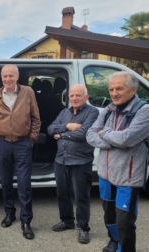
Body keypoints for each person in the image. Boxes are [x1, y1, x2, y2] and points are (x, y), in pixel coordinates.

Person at [86, 72, 149, 252]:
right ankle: (114, 241)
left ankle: (125, 248)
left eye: (119, 88)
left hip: (127, 178)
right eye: (111, 89)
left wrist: (104, 133)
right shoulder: (109, 109)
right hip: (105, 173)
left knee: (125, 222)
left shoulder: (144, 111)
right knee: (109, 217)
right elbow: (90, 134)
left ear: (133, 89)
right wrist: (114, 140)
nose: (114, 93)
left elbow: (127, 139)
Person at [0, 64, 40, 240]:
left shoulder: (28, 92)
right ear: (1, 78)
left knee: (24, 184)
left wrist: (31, 139)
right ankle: (9, 213)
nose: (8, 79)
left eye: (11, 76)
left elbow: (35, 118)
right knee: (6, 181)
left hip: (22, 143)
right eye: (5, 76)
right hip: (2, 143)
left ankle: (26, 221)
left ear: (17, 77)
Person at [47, 84, 99, 244]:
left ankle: (83, 228)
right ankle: (67, 221)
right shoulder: (64, 112)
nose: (74, 98)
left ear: (86, 97)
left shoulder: (93, 112)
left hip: (80, 161)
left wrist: (61, 135)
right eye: (72, 95)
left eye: (78, 95)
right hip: (60, 160)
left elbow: (83, 134)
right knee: (62, 193)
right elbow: (50, 129)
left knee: (81, 196)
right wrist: (66, 127)